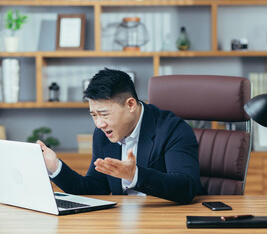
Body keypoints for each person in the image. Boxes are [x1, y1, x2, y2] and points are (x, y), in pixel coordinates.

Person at [38, 68, 202, 204]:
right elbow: (96, 188)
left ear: (130, 105)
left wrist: (135, 175)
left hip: (164, 220)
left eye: (104, 114)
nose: (99, 124)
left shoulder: (173, 129)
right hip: (121, 221)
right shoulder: (103, 133)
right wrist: (55, 167)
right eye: (94, 115)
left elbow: (186, 187)